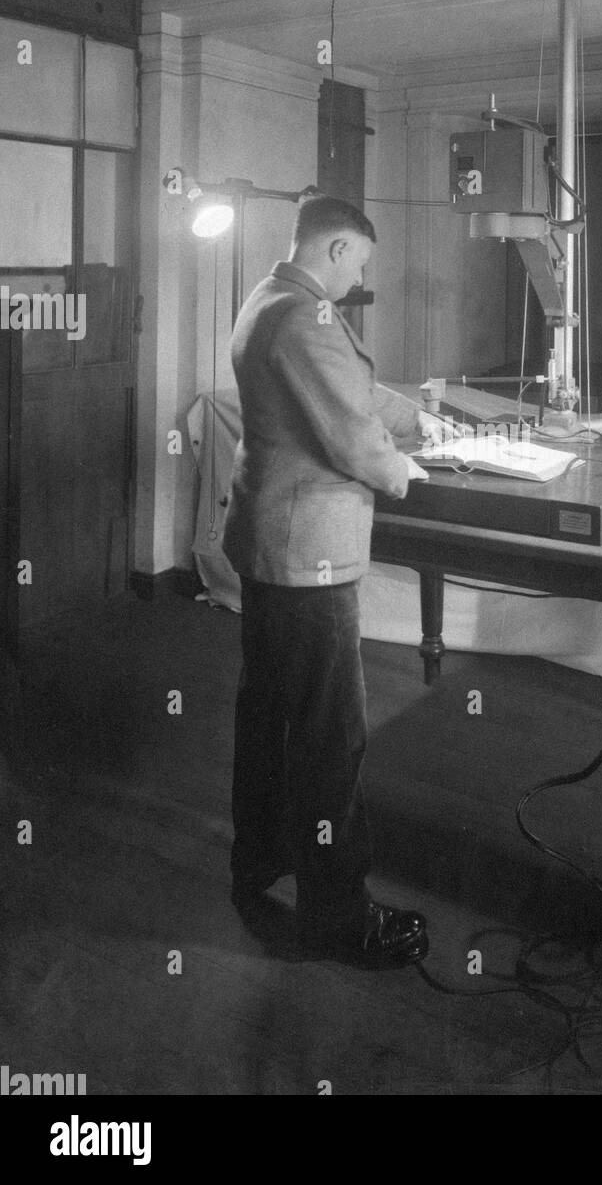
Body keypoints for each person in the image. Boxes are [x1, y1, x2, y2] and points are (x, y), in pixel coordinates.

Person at [222, 194, 452, 968]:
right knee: (330, 734)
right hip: (306, 553)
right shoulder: (303, 317)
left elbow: (348, 392)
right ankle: (337, 916)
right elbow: (352, 435)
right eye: (359, 263)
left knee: (269, 715)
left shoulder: (272, 298)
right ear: (337, 247)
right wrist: (406, 468)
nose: (359, 280)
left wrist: (421, 417)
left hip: (269, 542)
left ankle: (256, 860)